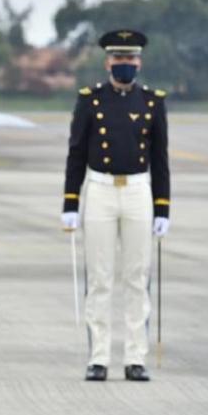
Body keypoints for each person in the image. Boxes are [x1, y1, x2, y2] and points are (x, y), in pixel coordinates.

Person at [62, 29, 170, 382]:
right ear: (108, 62)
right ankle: (99, 357)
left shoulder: (153, 102)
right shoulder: (90, 100)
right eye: (119, 59)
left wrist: (163, 207)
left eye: (131, 59)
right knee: (100, 278)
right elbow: (76, 152)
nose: (125, 64)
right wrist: (70, 202)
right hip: (101, 190)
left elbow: (160, 158)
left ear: (139, 62)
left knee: (137, 278)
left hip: (138, 190)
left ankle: (135, 357)